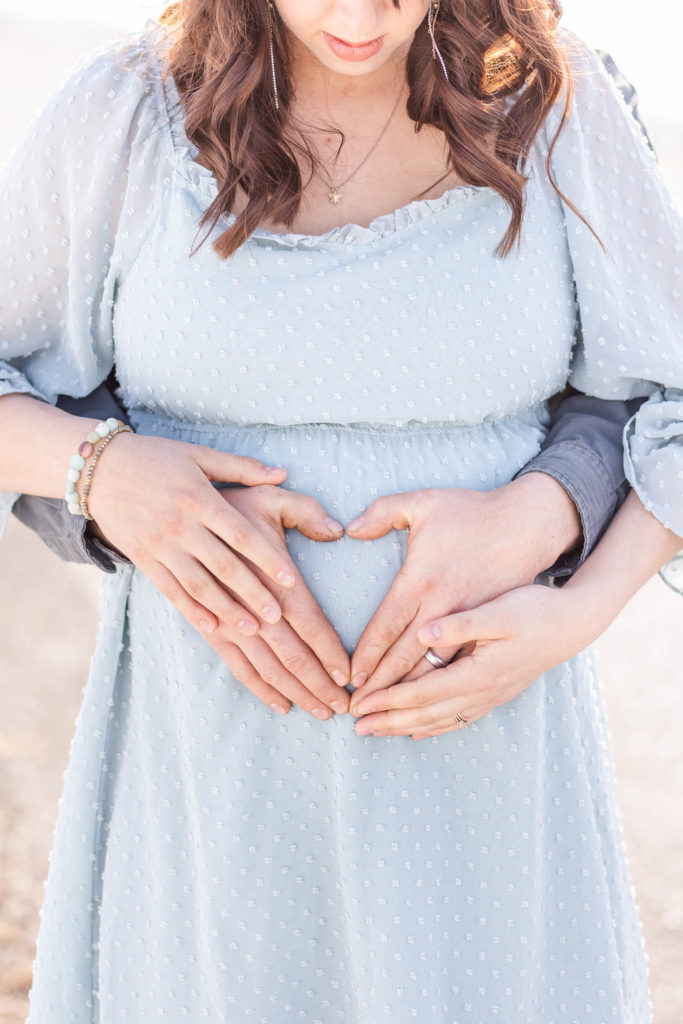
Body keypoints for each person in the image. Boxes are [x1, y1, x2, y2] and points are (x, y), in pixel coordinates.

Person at [0, 3, 681, 1022]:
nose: (360, 15)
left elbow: (665, 394)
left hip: (485, 772)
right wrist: (105, 469)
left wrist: (570, 595)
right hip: (210, 773)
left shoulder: (553, 107)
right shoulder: (124, 113)